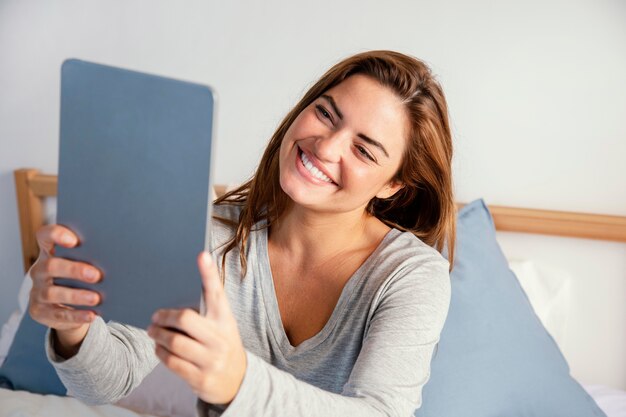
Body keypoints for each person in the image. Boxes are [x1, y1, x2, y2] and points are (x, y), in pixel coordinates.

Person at [28, 50, 456, 416]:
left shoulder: (411, 276)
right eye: (325, 113)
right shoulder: (211, 233)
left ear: (393, 185)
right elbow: (109, 380)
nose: (325, 148)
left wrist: (237, 383)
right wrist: (74, 327)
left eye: (363, 149)